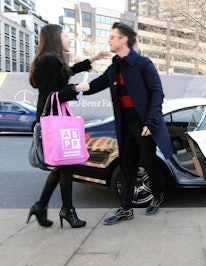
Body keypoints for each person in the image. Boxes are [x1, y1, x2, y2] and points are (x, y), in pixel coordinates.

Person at [86, 22, 173, 225]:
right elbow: (92, 86)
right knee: (126, 166)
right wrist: (71, 90)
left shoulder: (143, 63)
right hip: (124, 125)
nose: (109, 40)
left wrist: (151, 123)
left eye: (112, 36)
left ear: (123, 39)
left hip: (143, 124)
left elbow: (157, 93)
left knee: (149, 163)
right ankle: (126, 209)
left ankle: (157, 196)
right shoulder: (113, 68)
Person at [27, 24, 110, 228]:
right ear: (55, 38)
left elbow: (66, 73)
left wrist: (93, 58)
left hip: (54, 119)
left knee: (63, 165)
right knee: (66, 166)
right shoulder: (49, 61)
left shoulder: (52, 60)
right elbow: (51, 95)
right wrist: (75, 89)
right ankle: (67, 211)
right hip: (53, 120)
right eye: (65, 35)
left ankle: (41, 206)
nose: (69, 38)